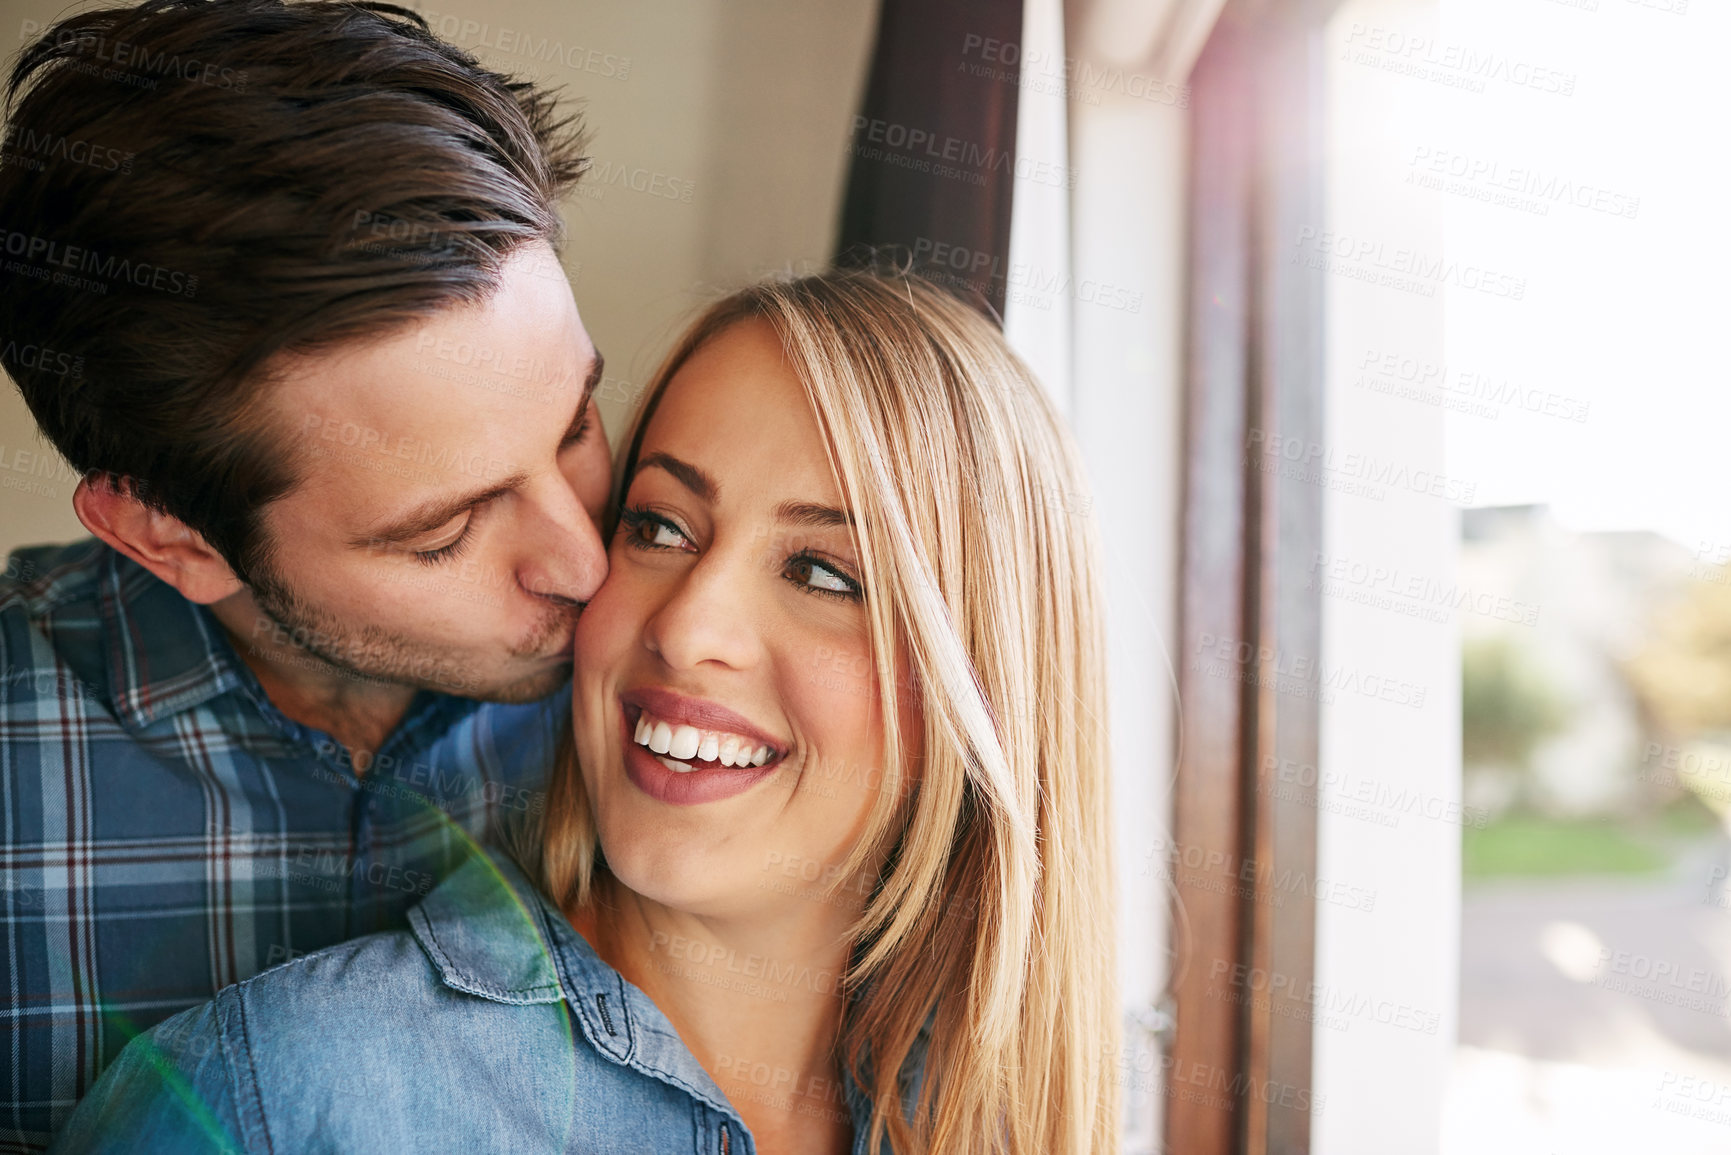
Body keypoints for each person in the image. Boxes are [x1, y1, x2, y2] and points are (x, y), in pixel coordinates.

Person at [50, 269, 1121, 1155]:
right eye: (659, 527)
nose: (686, 623)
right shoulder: (275, 1101)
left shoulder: (984, 1113)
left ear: (985, 682)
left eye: (825, 573)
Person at [0, 2, 608, 1145]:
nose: (585, 561)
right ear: (166, 538)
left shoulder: (696, 691)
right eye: (444, 532)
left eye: (578, 425)